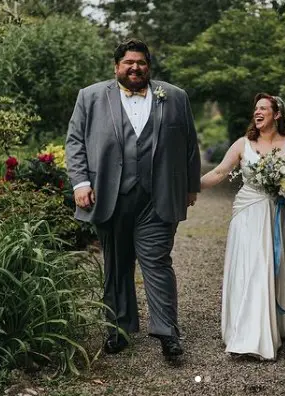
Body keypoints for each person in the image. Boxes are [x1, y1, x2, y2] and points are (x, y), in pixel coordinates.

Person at [65, 39, 201, 361]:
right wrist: (81, 183)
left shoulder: (175, 97)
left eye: (141, 62)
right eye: (128, 62)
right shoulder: (91, 96)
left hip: (159, 197)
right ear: (117, 67)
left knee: (157, 263)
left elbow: (190, 144)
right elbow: (74, 142)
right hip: (110, 196)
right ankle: (118, 330)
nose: (135, 68)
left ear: (148, 66)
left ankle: (168, 334)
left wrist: (190, 186)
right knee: (116, 266)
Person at [200, 93, 285, 360]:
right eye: (255, 109)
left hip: (278, 215)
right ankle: (250, 335)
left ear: (277, 114)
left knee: (274, 268)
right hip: (247, 214)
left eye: (263, 108)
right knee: (253, 268)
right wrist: (189, 187)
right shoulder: (243, 144)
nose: (257, 112)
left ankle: (276, 325)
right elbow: (220, 172)